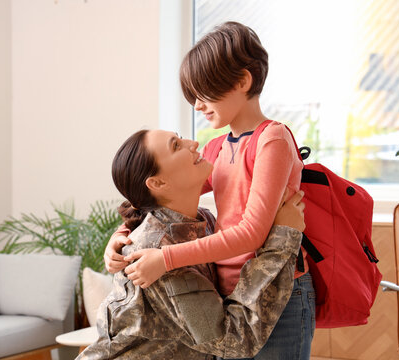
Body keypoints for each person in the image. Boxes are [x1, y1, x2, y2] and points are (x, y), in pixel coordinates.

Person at [105, 22, 315, 360]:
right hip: (231, 294)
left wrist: (165, 258)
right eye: (193, 98)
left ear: (242, 81)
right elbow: (158, 198)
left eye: (205, 93)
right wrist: (121, 234)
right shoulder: (218, 148)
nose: (198, 106)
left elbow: (251, 233)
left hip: (276, 290)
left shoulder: (270, 140)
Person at [78, 129, 305, 360]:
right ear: (157, 182)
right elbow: (233, 340)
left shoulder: (203, 220)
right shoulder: (153, 257)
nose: (194, 143)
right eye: (176, 146)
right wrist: (283, 237)